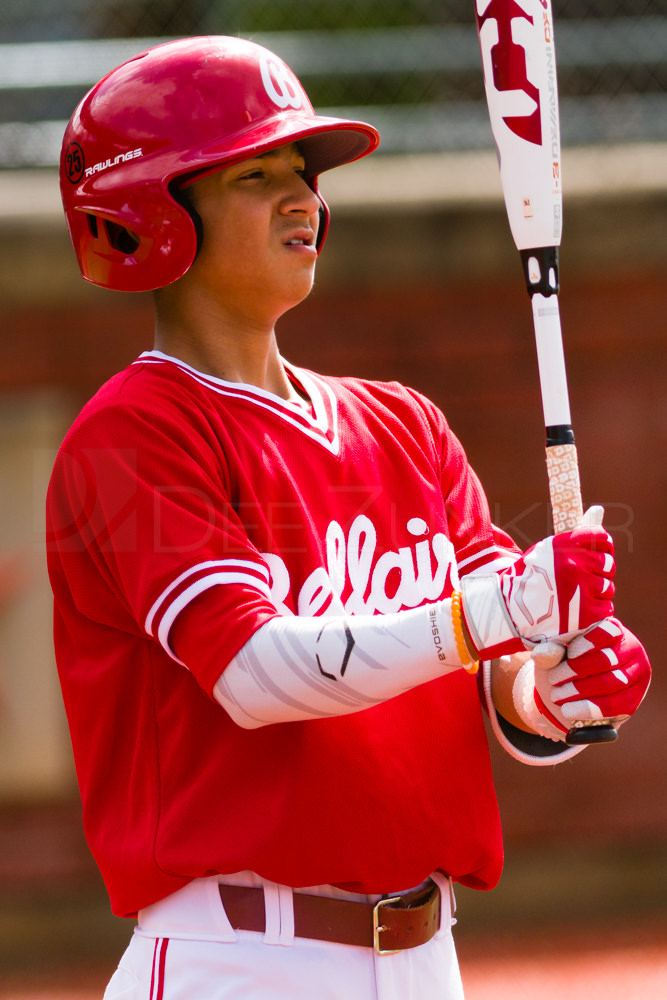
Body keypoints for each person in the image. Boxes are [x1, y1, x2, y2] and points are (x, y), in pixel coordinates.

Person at [47, 36, 651, 1000]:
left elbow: (490, 679)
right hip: (239, 959)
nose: (304, 200)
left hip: (427, 955)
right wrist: (493, 612)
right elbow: (255, 674)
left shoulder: (404, 423)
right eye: (256, 174)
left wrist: (555, 692)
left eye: (302, 173)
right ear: (156, 212)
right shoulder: (134, 434)